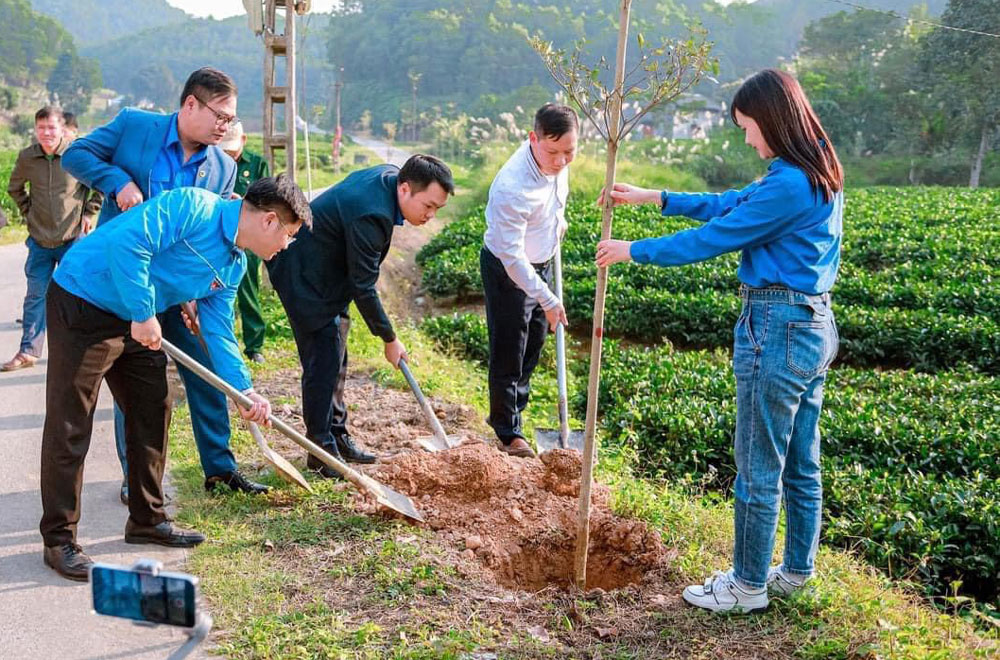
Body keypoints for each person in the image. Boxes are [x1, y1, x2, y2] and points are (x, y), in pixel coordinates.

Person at [595, 68, 843, 614]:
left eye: (749, 127)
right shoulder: (814, 168)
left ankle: (747, 585)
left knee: (758, 464)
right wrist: (657, 196)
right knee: (800, 462)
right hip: (813, 324)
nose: (748, 139)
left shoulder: (788, 182)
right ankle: (796, 573)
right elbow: (731, 203)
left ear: (772, 120)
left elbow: (717, 235)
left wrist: (634, 250)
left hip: (776, 325)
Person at [40, 174, 311, 581]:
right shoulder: (193, 206)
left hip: (136, 316)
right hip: (84, 300)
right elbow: (128, 244)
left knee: (153, 408)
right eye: (288, 235)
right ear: (269, 221)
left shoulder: (233, 263)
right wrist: (144, 313)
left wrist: (243, 389)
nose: (286, 245)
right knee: (71, 420)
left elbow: (218, 329)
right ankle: (59, 540)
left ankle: (146, 519)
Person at [62, 67, 269, 502]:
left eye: (230, 121)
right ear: (190, 104)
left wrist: (198, 292)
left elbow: (209, 236)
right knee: (133, 383)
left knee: (208, 369)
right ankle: (133, 474)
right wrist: (118, 183)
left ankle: (221, 469)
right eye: (221, 116)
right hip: (124, 283)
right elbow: (76, 155)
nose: (224, 127)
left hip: (176, 296)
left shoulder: (221, 168)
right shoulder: (135, 126)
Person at [266, 154, 453, 478]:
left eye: (437, 209)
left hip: (329, 272)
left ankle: (338, 435)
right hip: (305, 277)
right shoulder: (372, 214)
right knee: (323, 363)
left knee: (337, 359)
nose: (431, 215)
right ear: (406, 189)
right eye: (428, 206)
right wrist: (389, 339)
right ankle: (320, 452)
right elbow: (364, 286)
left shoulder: (391, 179)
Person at [481, 103, 576, 458]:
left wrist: (558, 224)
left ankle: (517, 413)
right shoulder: (512, 186)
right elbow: (513, 258)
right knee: (510, 345)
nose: (561, 160)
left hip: (543, 260)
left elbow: (555, 200)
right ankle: (507, 431)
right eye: (552, 152)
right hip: (509, 269)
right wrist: (549, 299)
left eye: (569, 151)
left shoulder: (559, 163)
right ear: (532, 139)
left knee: (534, 342)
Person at [2, 106, 102, 372]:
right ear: (36, 129)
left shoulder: (76, 155)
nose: (46, 133)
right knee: (35, 296)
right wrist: (28, 213)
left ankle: (78, 354)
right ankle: (28, 352)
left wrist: (90, 212)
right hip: (39, 240)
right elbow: (14, 188)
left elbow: (100, 186)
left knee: (75, 297)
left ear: (61, 129)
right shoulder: (27, 157)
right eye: (41, 127)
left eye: (51, 127)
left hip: (72, 240)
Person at [219, 120, 270, 363]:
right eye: (224, 150)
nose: (229, 154)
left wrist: (246, 202)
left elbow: (270, 201)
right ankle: (220, 344)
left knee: (248, 289)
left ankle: (254, 345)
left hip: (248, 237)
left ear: (244, 140)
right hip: (220, 235)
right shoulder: (214, 161)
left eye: (233, 149)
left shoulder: (257, 164)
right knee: (215, 291)